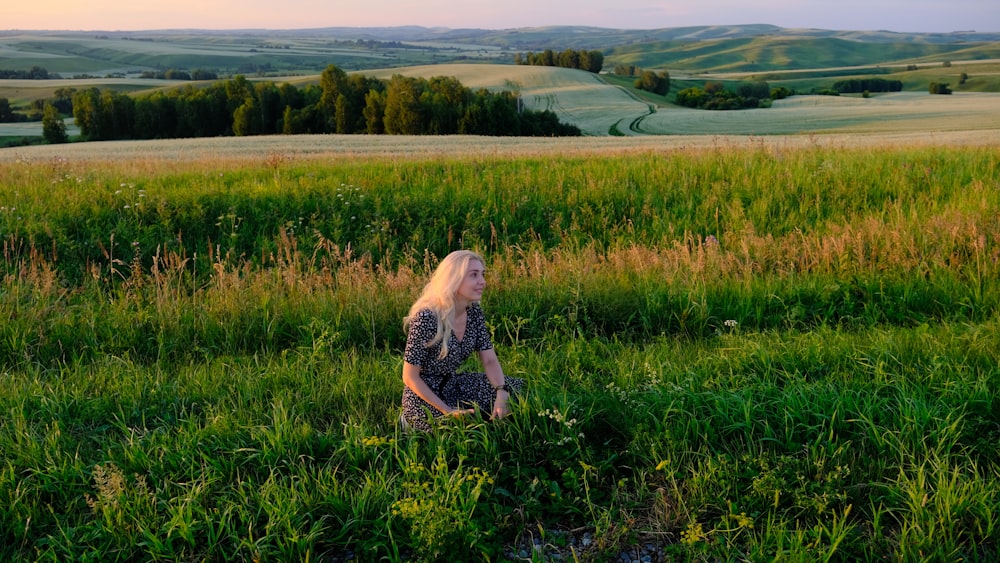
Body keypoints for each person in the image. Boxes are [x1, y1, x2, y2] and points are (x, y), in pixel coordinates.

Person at [400, 250, 524, 431]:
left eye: (482, 274)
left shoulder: (473, 312)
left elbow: (489, 360)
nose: (482, 281)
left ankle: (475, 412)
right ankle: (410, 422)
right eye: (473, 275)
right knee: (460, 428)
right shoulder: (426, 317)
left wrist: (501, 391)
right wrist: (447, 410)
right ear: (454, 278)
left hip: (453, 384)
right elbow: (409, 377)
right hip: (422, 395)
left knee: (516, 389)